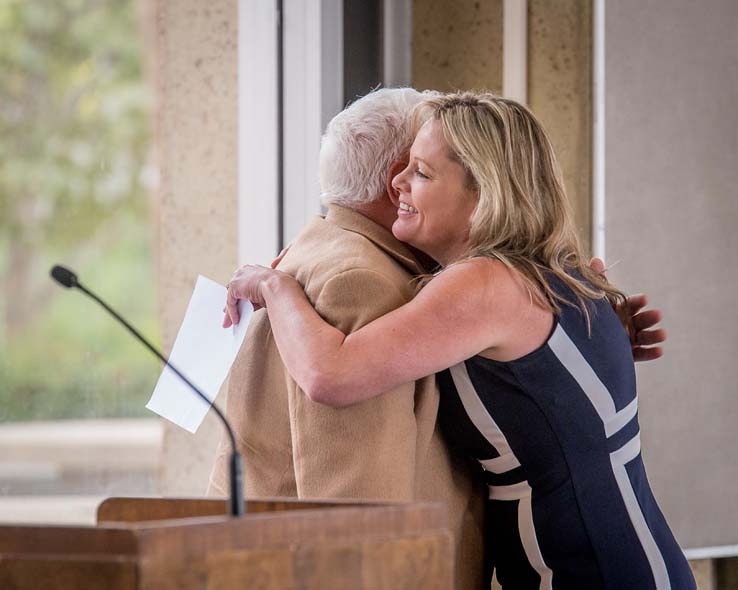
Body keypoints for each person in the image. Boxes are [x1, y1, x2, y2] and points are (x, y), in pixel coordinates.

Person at [223, 92, 691, 589]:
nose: (397, 182)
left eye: (421, 173)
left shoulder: (484, 283)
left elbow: (328, 374)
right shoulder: (548, 269)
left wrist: (275, 286)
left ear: (484, 194)